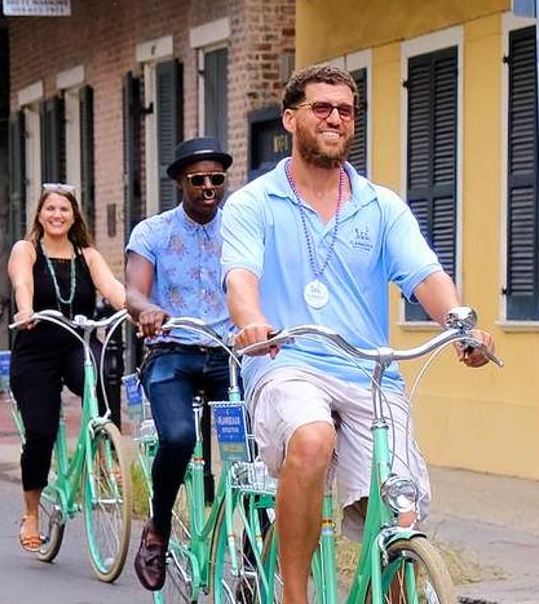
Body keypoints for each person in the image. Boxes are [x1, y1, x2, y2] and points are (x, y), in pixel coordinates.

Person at [225, 65, 496, 604]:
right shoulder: (253, 203)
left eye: (346, 110)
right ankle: (294, 596)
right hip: (286, 360)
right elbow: (240, 277)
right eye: (321, 108)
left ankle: (392, 587)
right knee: (312, 438)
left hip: (369, 372)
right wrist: (251, 320)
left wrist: (462, 325)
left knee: (399, 505)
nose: (335, 118)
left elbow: (426, 276)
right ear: (290, 118)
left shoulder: (380, 206)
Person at [124, 136, 235, 590]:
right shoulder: (152, 232)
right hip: (172, 351)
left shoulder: (240, 228)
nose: (208, 188)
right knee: (178, 437)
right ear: (180, 183)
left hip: (229, 355)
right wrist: (147, 309)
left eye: (216, 179)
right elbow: (133, 292)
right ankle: (159, 527)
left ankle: (258, 544)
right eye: (198, 180)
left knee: (253, 449)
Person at [8, 182, 128, 553]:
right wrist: (25, 310)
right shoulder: (27, 249)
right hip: (35, 351)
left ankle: (105, 455)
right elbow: (22, 283)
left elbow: (112, 288)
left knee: (103, 376)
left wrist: (140, 311)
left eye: (64, 209)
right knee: (40, 432)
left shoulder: (87, 255)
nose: (57, 215)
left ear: (74, 216)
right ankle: (31, 513)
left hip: (76, 344)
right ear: (40, 214)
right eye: (50, 209)